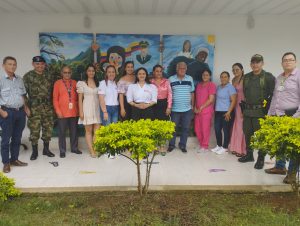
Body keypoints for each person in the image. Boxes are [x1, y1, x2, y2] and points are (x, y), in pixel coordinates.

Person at [264, 52, 300, 184]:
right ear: (282, 63)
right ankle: (280, 166)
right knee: (280, 144)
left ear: (295, 62)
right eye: (285, 60)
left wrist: (297, 116)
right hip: (278, 116)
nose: (288, 62)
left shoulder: (298, 76)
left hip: (293, 116)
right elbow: (275, 98)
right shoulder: (279, 78)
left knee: (293, 147)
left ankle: (291, 173)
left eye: (291, 60)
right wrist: (270, 114)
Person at [238, 54, 275, 169]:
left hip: (261, 112)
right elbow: (245, 93)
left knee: (261, 137)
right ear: (250, 64)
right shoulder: (247, 77)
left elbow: (273, 95)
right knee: (247, 134)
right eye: (253, 62)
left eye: (258, 62)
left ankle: (260, 158)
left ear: (262, 63)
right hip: (248, 111)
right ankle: (249, 155)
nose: (255, 64)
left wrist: (268, 110)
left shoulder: (268, 77)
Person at [0, 56, 29, 173]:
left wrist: (26, 108)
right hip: (7, 112)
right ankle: (6, 163)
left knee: (17, 138)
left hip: (20, 112)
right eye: (9, 64)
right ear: (4, 66)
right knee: (6, 139)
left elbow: (23, 95)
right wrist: (2, 112)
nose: (12, 66)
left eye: (14, 64)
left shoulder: (19, 79)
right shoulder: (1, 80)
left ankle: (14, 159)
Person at [23, 56, 55, 160]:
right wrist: (26, 108)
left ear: (44, 64)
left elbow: (54, 92)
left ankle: (46, 150)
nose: (40, 66)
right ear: (33, 64)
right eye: (37, 64)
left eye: (42, 64)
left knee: (48, 129)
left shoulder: (49, 76)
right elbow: (23, 94)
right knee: (34, 130)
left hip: (48, 107)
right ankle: (35, 152)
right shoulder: (28, 76)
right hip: (34, 107)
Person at [53, 66, 82, 158]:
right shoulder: (57, 83)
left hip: (73, 112)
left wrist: (78, 110)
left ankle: (74, 148)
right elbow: (55, 99)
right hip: (62, 113)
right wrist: (58, 111)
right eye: (65, 72)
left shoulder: (75, 83)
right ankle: (62, 150)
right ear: (62, 73)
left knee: (74, 132)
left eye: (69, 72)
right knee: (61, 132)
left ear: (71, 73)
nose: (67, 74)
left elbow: (79, 97)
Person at [168, 62, 194, 153]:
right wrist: (169, 106)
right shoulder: (171, 79)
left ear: (186, 69)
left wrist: (192, 106)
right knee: (173, 128)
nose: (182, 70)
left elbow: (192, 93)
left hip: (187, 109)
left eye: (184, 68)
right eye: (180, 68)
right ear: (176, 69)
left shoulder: (190, 78)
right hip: (174, 109)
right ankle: (171, 145)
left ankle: (182, 145)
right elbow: (169, 94)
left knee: (185, 128)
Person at [77, 64, 101, 158]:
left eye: (93, 71)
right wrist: (81, 112)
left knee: (97, 131)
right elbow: (79, 99)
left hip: (97, 108)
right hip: (86, 108)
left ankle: (96, 148)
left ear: (95, 72)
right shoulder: (82, 83)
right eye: (89, 70)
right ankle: (91, 151)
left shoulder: (98, 83)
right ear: (86, 72)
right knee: (88, 131)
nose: (91, 72)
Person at [211, 71, 237, 155]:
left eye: (225, 77)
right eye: (222, 77)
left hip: (227, 112)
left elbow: (234, 101)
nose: (223, 78)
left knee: (226, 130)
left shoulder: (231, 87)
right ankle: (219, 145)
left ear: (228, 78)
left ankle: (225, 147)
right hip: (218, 111)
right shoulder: (218, 87)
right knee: (217, 129)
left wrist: (229, 112)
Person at [194, 69, 216, 152]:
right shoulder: (199, 85)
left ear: (210, 76)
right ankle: (201, 145)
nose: (205, 76)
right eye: (203, 75)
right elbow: (196, 97)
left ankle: (205, 146)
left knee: (205, 129)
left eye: (207, 75)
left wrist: (201, 107)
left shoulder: (212, 85)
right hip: (198, 111)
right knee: (197, 129)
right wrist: (195, 108)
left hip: (206, 111)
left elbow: (211, 99)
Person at [229, 63, 247, 157]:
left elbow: (247, 94)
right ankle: (235, 148)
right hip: (234, 104)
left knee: (240, 127)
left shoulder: (245, 79)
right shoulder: (233, 79)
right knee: (235, 126)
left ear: (242, 70)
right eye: (233, 70)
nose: (235, 71)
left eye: (237, 69)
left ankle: (242, 149)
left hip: (242, 105)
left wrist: (245, 108)